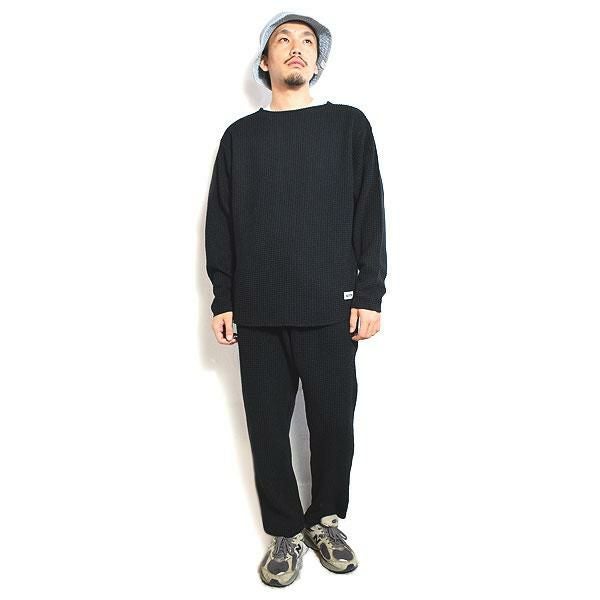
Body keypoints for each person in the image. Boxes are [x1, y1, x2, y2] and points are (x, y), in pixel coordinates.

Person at [205, 11, 387, 587]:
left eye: (308, 41)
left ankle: (325, 521)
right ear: (265, 60)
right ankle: (284, 531)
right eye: (283, 39)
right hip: (258, 310)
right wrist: (224, 298)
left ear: (317, 60)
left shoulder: (348, 126)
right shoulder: (240, 137)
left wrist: (370, 293)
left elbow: (370, 213)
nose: (296, 48)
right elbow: (221, 221)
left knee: (333, 424)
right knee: (266, 428)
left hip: (330, 305)